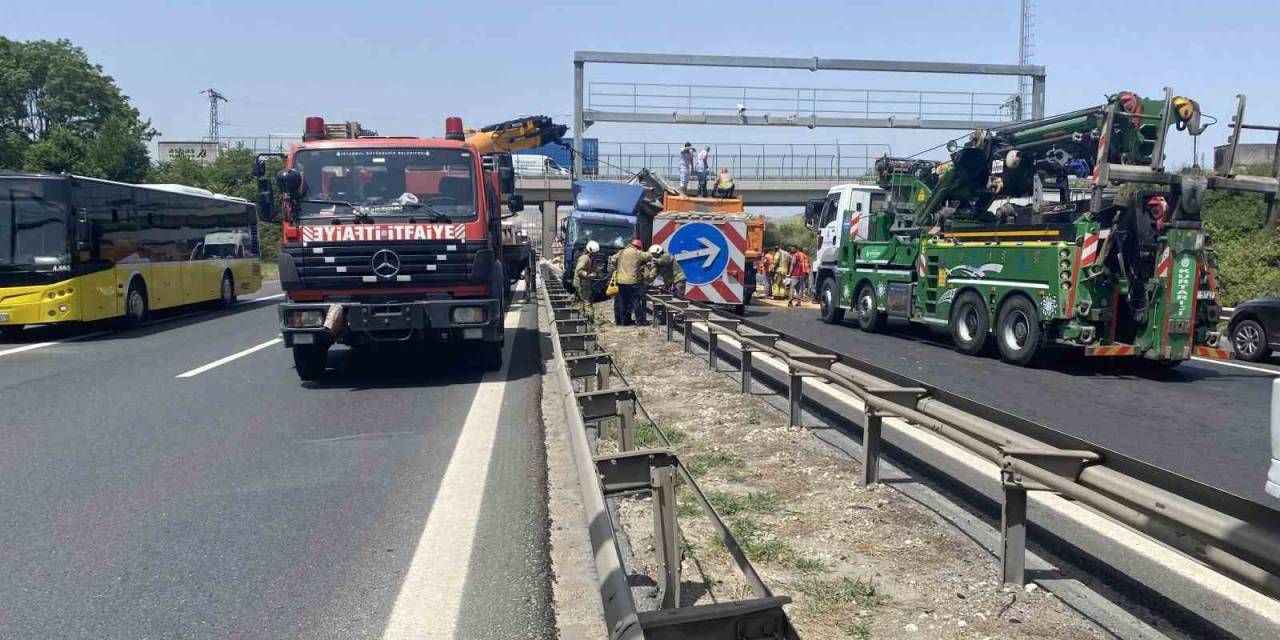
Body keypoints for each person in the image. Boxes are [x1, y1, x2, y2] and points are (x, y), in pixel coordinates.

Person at [615, 238, 653, 326]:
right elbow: (649, 256)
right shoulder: (637, 253)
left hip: (620, 280)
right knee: (635, 301)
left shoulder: (621, 252)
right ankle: (639, 321)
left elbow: (613, 259)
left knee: (622, 301)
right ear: (638, 247)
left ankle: (624, 322)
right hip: (632, 281)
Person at [575, 241, 601, 323]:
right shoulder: (585, 258)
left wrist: (599, 274)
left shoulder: (591, 258)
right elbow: (579, 270)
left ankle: (584, 318)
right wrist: (588, 275)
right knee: (586, 301)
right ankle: (590, 319)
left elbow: (594, 268)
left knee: (585, 300)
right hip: (581, 283)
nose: (596, 255)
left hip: (585, 282)